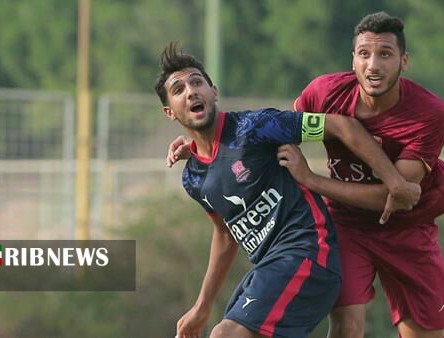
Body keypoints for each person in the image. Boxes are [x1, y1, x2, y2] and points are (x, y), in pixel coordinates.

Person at [155, 42, 420, 338]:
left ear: (213, 92)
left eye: (197, 82)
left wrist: (393, 182)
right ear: (169, 112)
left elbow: (344, 127)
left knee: (225, 335)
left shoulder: (256, 128)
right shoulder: (193, 177)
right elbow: (225, 234)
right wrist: (202, 306)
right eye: (179, 89)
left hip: (308, 253)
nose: (191, 91)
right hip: (269, 267)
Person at [281, 11, 444, 338]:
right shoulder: (323, 93)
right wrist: (205, 139)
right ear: (353, 60)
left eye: (385, 54)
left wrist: (312, 179)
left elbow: (392, 198)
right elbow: (275, 133)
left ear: (404, 61)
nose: (373, 65)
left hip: (408, 225)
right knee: (347, 328)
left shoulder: (430, 114)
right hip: (346, 225)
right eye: (364, 54)